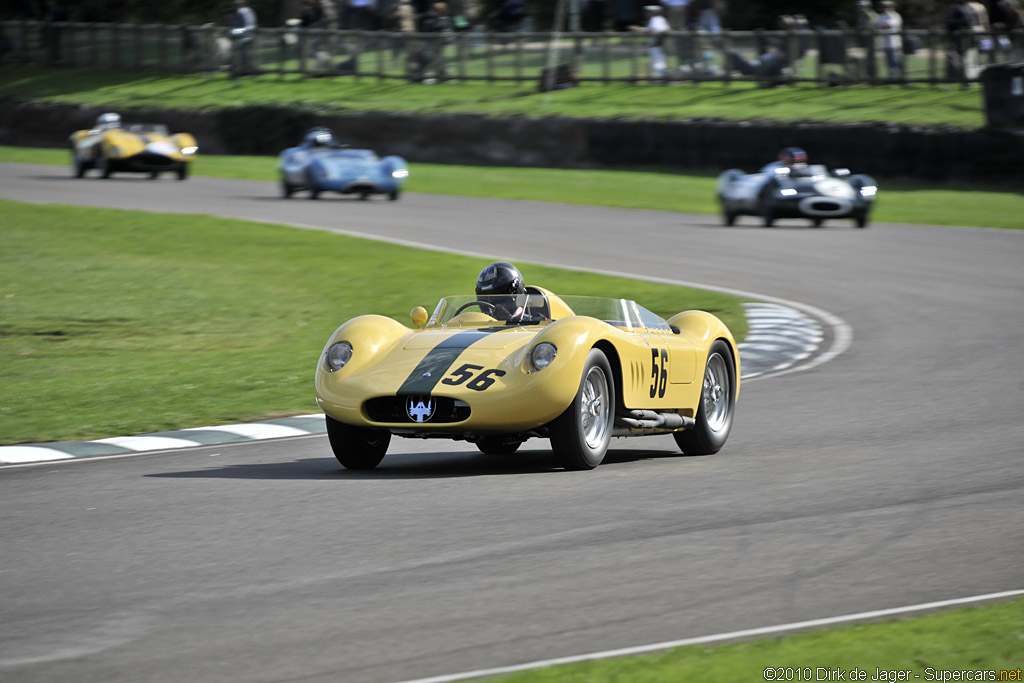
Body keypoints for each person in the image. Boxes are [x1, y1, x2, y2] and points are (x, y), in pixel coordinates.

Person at [631, 5, 670, 81]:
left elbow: (655, 30)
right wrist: (639, 29)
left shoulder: (655, 19)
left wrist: (640, 30)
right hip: (661, 43)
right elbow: (651, 29)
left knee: (658, 61)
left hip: (657, 43)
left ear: (652, 13)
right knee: (660, 61)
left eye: (647, 12)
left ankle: (660, 79)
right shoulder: (660, 19)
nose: (646, 14)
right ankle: (660, 78)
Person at [872, 0, 903, 80]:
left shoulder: (895, 16)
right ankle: (893, 77)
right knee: (889, 61)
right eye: (883, 8)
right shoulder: (882, 16)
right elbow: (874, 25)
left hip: (894, 43)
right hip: (885, 43)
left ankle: (896, 78)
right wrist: (881, 26)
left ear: (890, 8)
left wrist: (880, 26)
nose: (883, 9)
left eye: (885, 7)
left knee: (895, 61)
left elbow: (889, 25)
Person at [231, 0, 257, 76]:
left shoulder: (239, 12)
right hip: (251, 33)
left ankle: (244, 72)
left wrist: (233, 32)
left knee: (242, 55)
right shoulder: (249, 10)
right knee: (249, 54)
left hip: (243, 35)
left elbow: (238, 24)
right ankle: (251, 70)